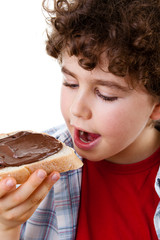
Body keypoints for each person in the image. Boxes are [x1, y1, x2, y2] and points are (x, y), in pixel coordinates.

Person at [0, 0, 160, 239]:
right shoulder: (29, 176)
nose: (77, 109)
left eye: (106, 95)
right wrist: (6, 228)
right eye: (70, 83)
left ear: (156, 107)